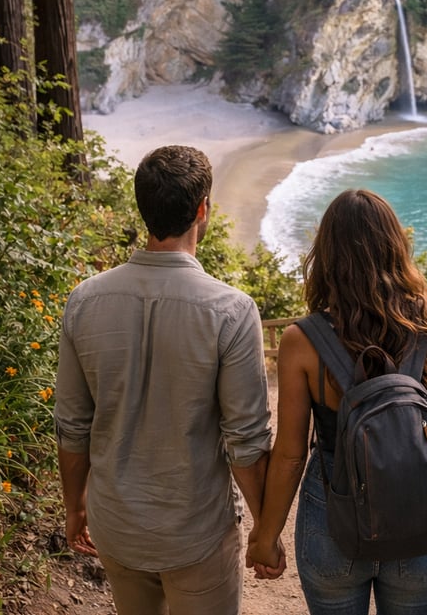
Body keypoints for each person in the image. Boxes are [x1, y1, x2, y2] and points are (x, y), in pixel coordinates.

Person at [54, 145, 274, 615]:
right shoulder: (231, 312)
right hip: (196, 530)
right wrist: (264, 529)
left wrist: (75, 507)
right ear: (202, 210)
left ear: (143, 208)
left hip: (116, 524)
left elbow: (72, 425)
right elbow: (246, 441)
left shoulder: (84, 301)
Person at [247, 188, 427, 614]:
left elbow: (289, 456)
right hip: (420, 516)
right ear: (396, 247)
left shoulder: (302, 341)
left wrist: (267, 534)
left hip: (332, 520)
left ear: (327, 255)